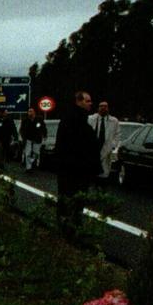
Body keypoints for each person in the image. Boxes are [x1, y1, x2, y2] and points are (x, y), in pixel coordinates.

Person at [53, 90, 99, 239]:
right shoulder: (73, 120)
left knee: (73, 199)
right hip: (73, 169)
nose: (90, 104)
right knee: (71, 199)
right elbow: (71, 145)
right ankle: (69, 229)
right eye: (87, 101)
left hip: (75, 169)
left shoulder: (81, 120)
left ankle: (70, 227)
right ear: (78, 101)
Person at [88, 100, 120, 180]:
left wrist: (113, 145)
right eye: (101, 106)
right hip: (93, 148)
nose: (103, 108)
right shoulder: (90, 119)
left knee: (104, 174)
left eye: (105, 106)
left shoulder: (114, 121)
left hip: (106, 149)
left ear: (108, 108)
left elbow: (117, 134)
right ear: (98, 108)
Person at [20, 106, 46, 171]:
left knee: (36, 153)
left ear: (34, 112)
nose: (30, 113)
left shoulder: (39, 119)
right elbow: (22, 129)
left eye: (31, 111)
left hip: (37, 139)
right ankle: (28, 168)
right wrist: (23, 136)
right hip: (28, 139)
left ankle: (32, 162)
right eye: (29, 111)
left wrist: (44, 134)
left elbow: (43, 128)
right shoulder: (25, 120)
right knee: (27, 153)